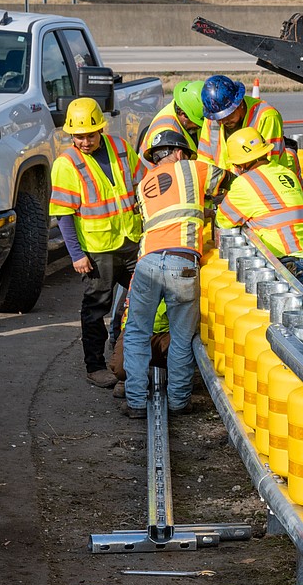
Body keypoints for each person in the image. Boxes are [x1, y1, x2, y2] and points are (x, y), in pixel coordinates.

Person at [49, 97, 141, 388]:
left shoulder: (121, 148)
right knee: (95, 307)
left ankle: (124, 355)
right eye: (78, 136)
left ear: (101, 129)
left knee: (141, 298)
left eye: (89, 135)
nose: (85, 141)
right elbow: (63, 215)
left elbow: (142, 184)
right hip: (97, 249)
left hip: (130, 240)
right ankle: (95, 366)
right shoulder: (67, 164)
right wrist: (76, 255)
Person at [122, 127, 207, 419]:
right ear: (181, 153)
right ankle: (178, 402)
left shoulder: (144, 184)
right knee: (182, 338)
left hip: (147, 263)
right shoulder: (193, 169)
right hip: (182, 263)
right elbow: (233, 183)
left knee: (135, 333)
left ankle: (135, 403)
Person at [215, 127, 303, 307]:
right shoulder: (285, 172)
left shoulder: (244, 183)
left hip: (291, 267)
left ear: (242, 164)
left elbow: (222, 220)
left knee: (285, 330)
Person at [198, 75, 292, 198]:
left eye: (229, 115)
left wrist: (237, 189)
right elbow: (205, 160)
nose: (224, 120)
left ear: (239, 103)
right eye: (220, 118)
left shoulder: (266, 116)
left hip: (264, 190)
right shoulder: (213, 119)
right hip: (225, 192)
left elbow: (266, 165)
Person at [141, 79, 206, 154]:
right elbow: (168, 165)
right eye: (198, 124)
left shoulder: (185, 106)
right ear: (183, 114)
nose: (200, 127)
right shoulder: (166, 134)